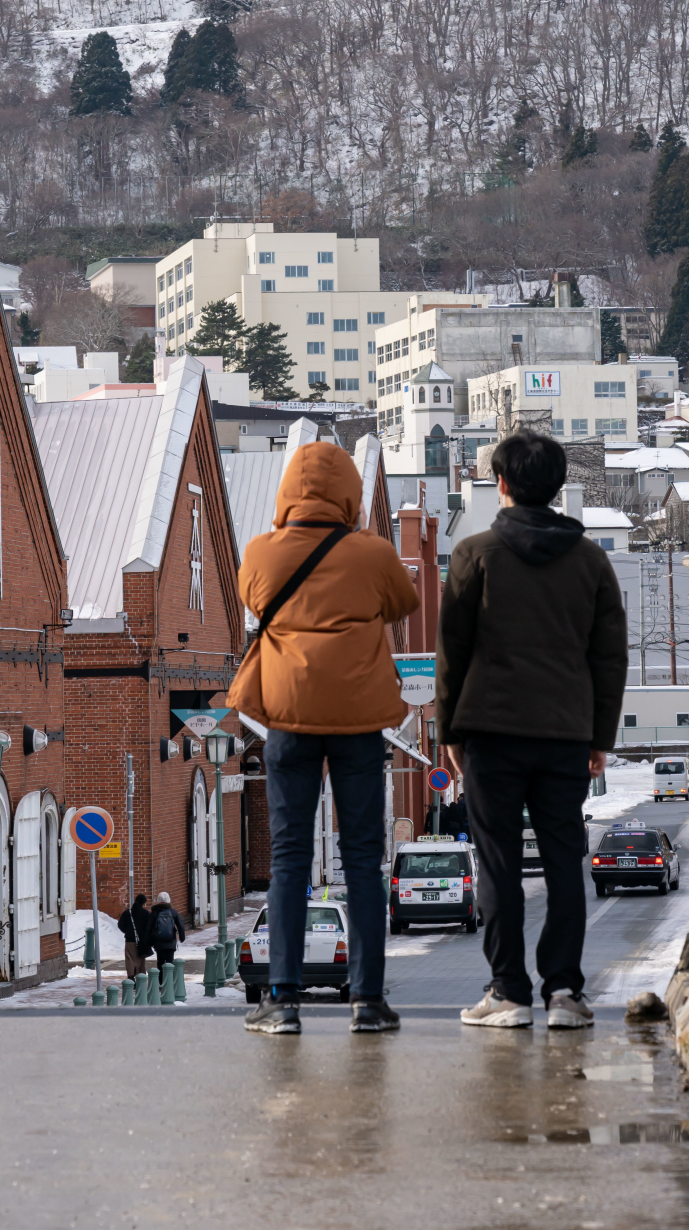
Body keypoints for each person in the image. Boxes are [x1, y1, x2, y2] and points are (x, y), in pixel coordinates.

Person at [436, 429, 627, 1031]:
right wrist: (600, 737)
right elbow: (609, 656)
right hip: (566, 733)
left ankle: (510, 991)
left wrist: (450, 728)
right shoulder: (592, 561)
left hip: (491, 730)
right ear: (558, 488)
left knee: (497, 865)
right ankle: (565, 991)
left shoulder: (475, 555)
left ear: (502, 486)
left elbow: (453, 652)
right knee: (565, 859)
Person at [230, 438, 419, 1035]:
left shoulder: (262, 552)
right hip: (361, 723)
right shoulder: (373, 554)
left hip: (287, 719)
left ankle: (282, 1000)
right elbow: (405, 602)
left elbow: (250, 597)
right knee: (363, 861)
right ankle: (367, 1000)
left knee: (288, 858)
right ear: (350, 494)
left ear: (287, 491)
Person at [150, 890, 186, 972]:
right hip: (171, 941)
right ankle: (170, 982)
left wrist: (149, 941)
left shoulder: (155, 912)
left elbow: (149, 927)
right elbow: (180, 925)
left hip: (158, 942)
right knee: (170, 962)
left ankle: (161, 982)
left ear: (158, 900)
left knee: (160, 963)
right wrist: (182, 937)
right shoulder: (173, 912)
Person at [119, 893, 152, 981]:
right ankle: (140, 976)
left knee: (129, 958)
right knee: (141, 959)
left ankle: (130, 976)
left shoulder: (127, 912)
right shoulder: (146, 913)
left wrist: (128, 931)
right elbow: (149, 926)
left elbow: (120, 925)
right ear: (144, 903)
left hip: (130, 939)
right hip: (142, 940)